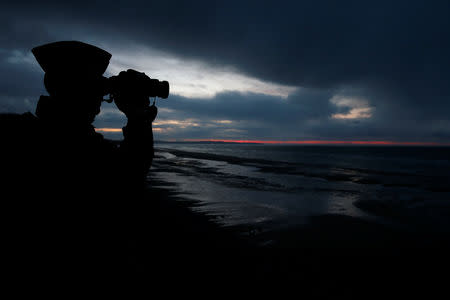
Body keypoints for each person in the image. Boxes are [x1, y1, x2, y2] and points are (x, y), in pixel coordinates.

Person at [1, 41, 158, 282]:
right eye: (96, 87)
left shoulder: (15, 131)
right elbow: (129, 178)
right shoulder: (82, 148)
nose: (100, 99)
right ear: (79, 91)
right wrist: (138, 119)